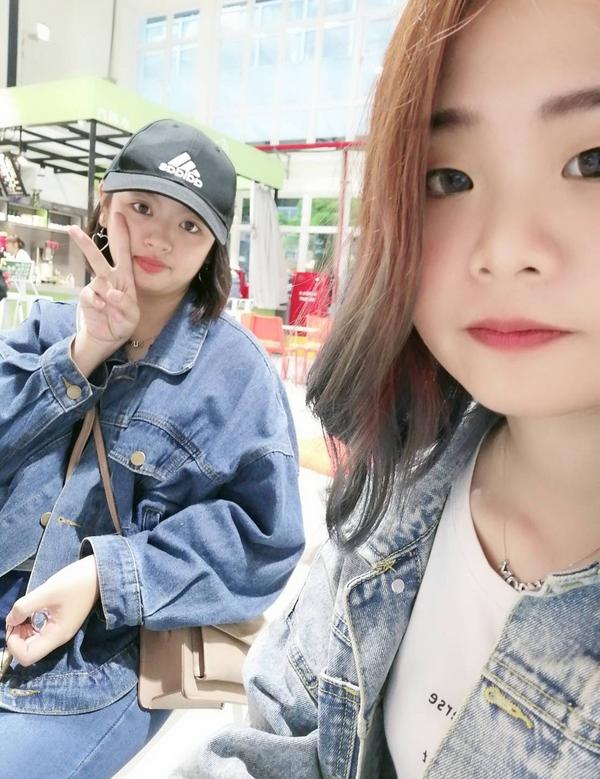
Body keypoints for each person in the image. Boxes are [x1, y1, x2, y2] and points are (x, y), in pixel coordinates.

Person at [172, 1, 600, 777]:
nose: (504, 248)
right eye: (450, 177)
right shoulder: (399, 480)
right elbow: (285, 731)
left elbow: (252, 535)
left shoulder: (236, 365)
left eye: (592, 161)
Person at [0, 119, 304, 777]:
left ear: (214, 245)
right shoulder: (52, 326)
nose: (160, 238)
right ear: (105, 204)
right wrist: (84, 352)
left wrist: (103, 576)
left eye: (190, 225)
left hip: (103, 660)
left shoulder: (237, 376)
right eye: (141, 207)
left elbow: (264, 540)